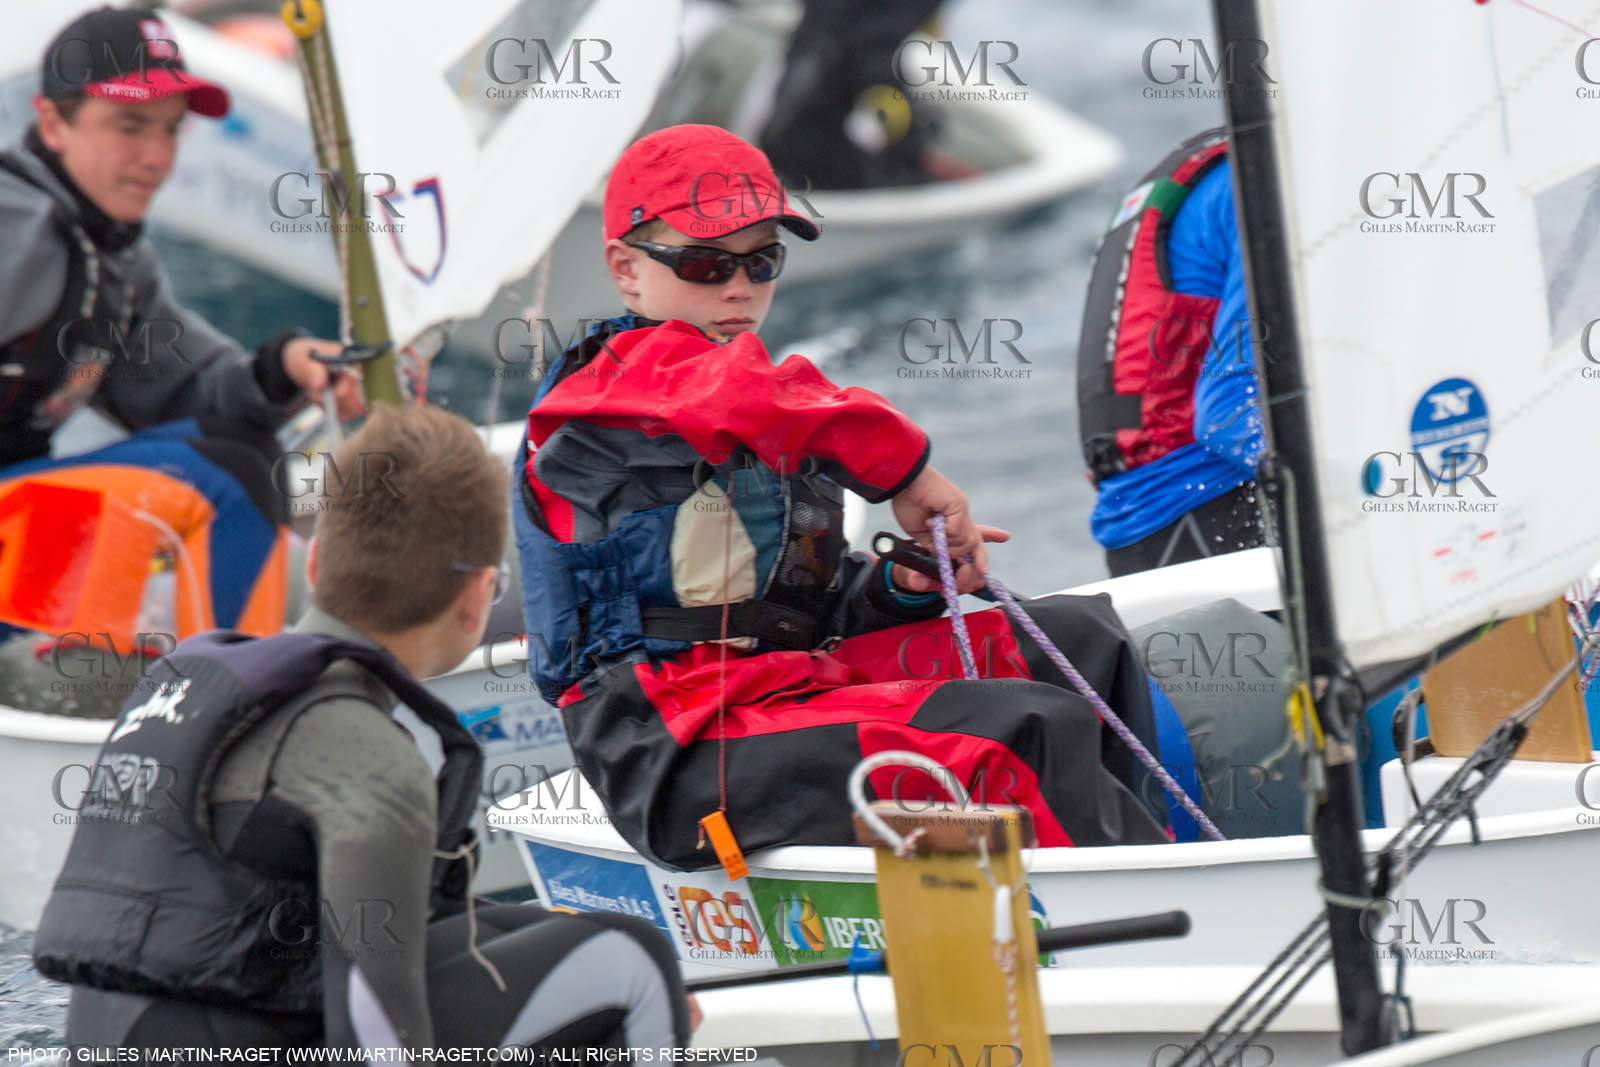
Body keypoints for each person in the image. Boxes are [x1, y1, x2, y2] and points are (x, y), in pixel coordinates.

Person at [514, 123, 1173, 874]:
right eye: (703, 261)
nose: (739, 286)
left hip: (789, 688)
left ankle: (1162, 863)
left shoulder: (754, 406)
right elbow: (740, 394)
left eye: (762, 260)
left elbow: (797, 601)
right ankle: (1143, 914)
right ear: (625, 269)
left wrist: (898, 585)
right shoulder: (610, 396)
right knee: (1014, 728)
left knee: (1084, 638)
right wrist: (907, 473)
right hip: (679, 751)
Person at [33, 404, 693, 1054]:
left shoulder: (185, 682)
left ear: (315, 563)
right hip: (242, 1031)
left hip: (119, 1039)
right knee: (631, 960)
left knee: (536, 931)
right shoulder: (371, 758)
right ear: (476, 598)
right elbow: (379, 1043)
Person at [0, 7, 361, 642]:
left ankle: (193, 682)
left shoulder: (111, 252)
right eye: (129, 125)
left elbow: (192, 392)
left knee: (245, 450)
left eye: (171, 131)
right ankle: (221, 713)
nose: (155, 157)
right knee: (230, 476)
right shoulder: (13, 220)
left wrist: (289, 365)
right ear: (53, 121)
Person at [1075, 127, 1271, 578]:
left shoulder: (1225, 166)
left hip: (1150, 532)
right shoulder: (1260, 190)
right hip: (1204, 520)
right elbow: (1229, 414)